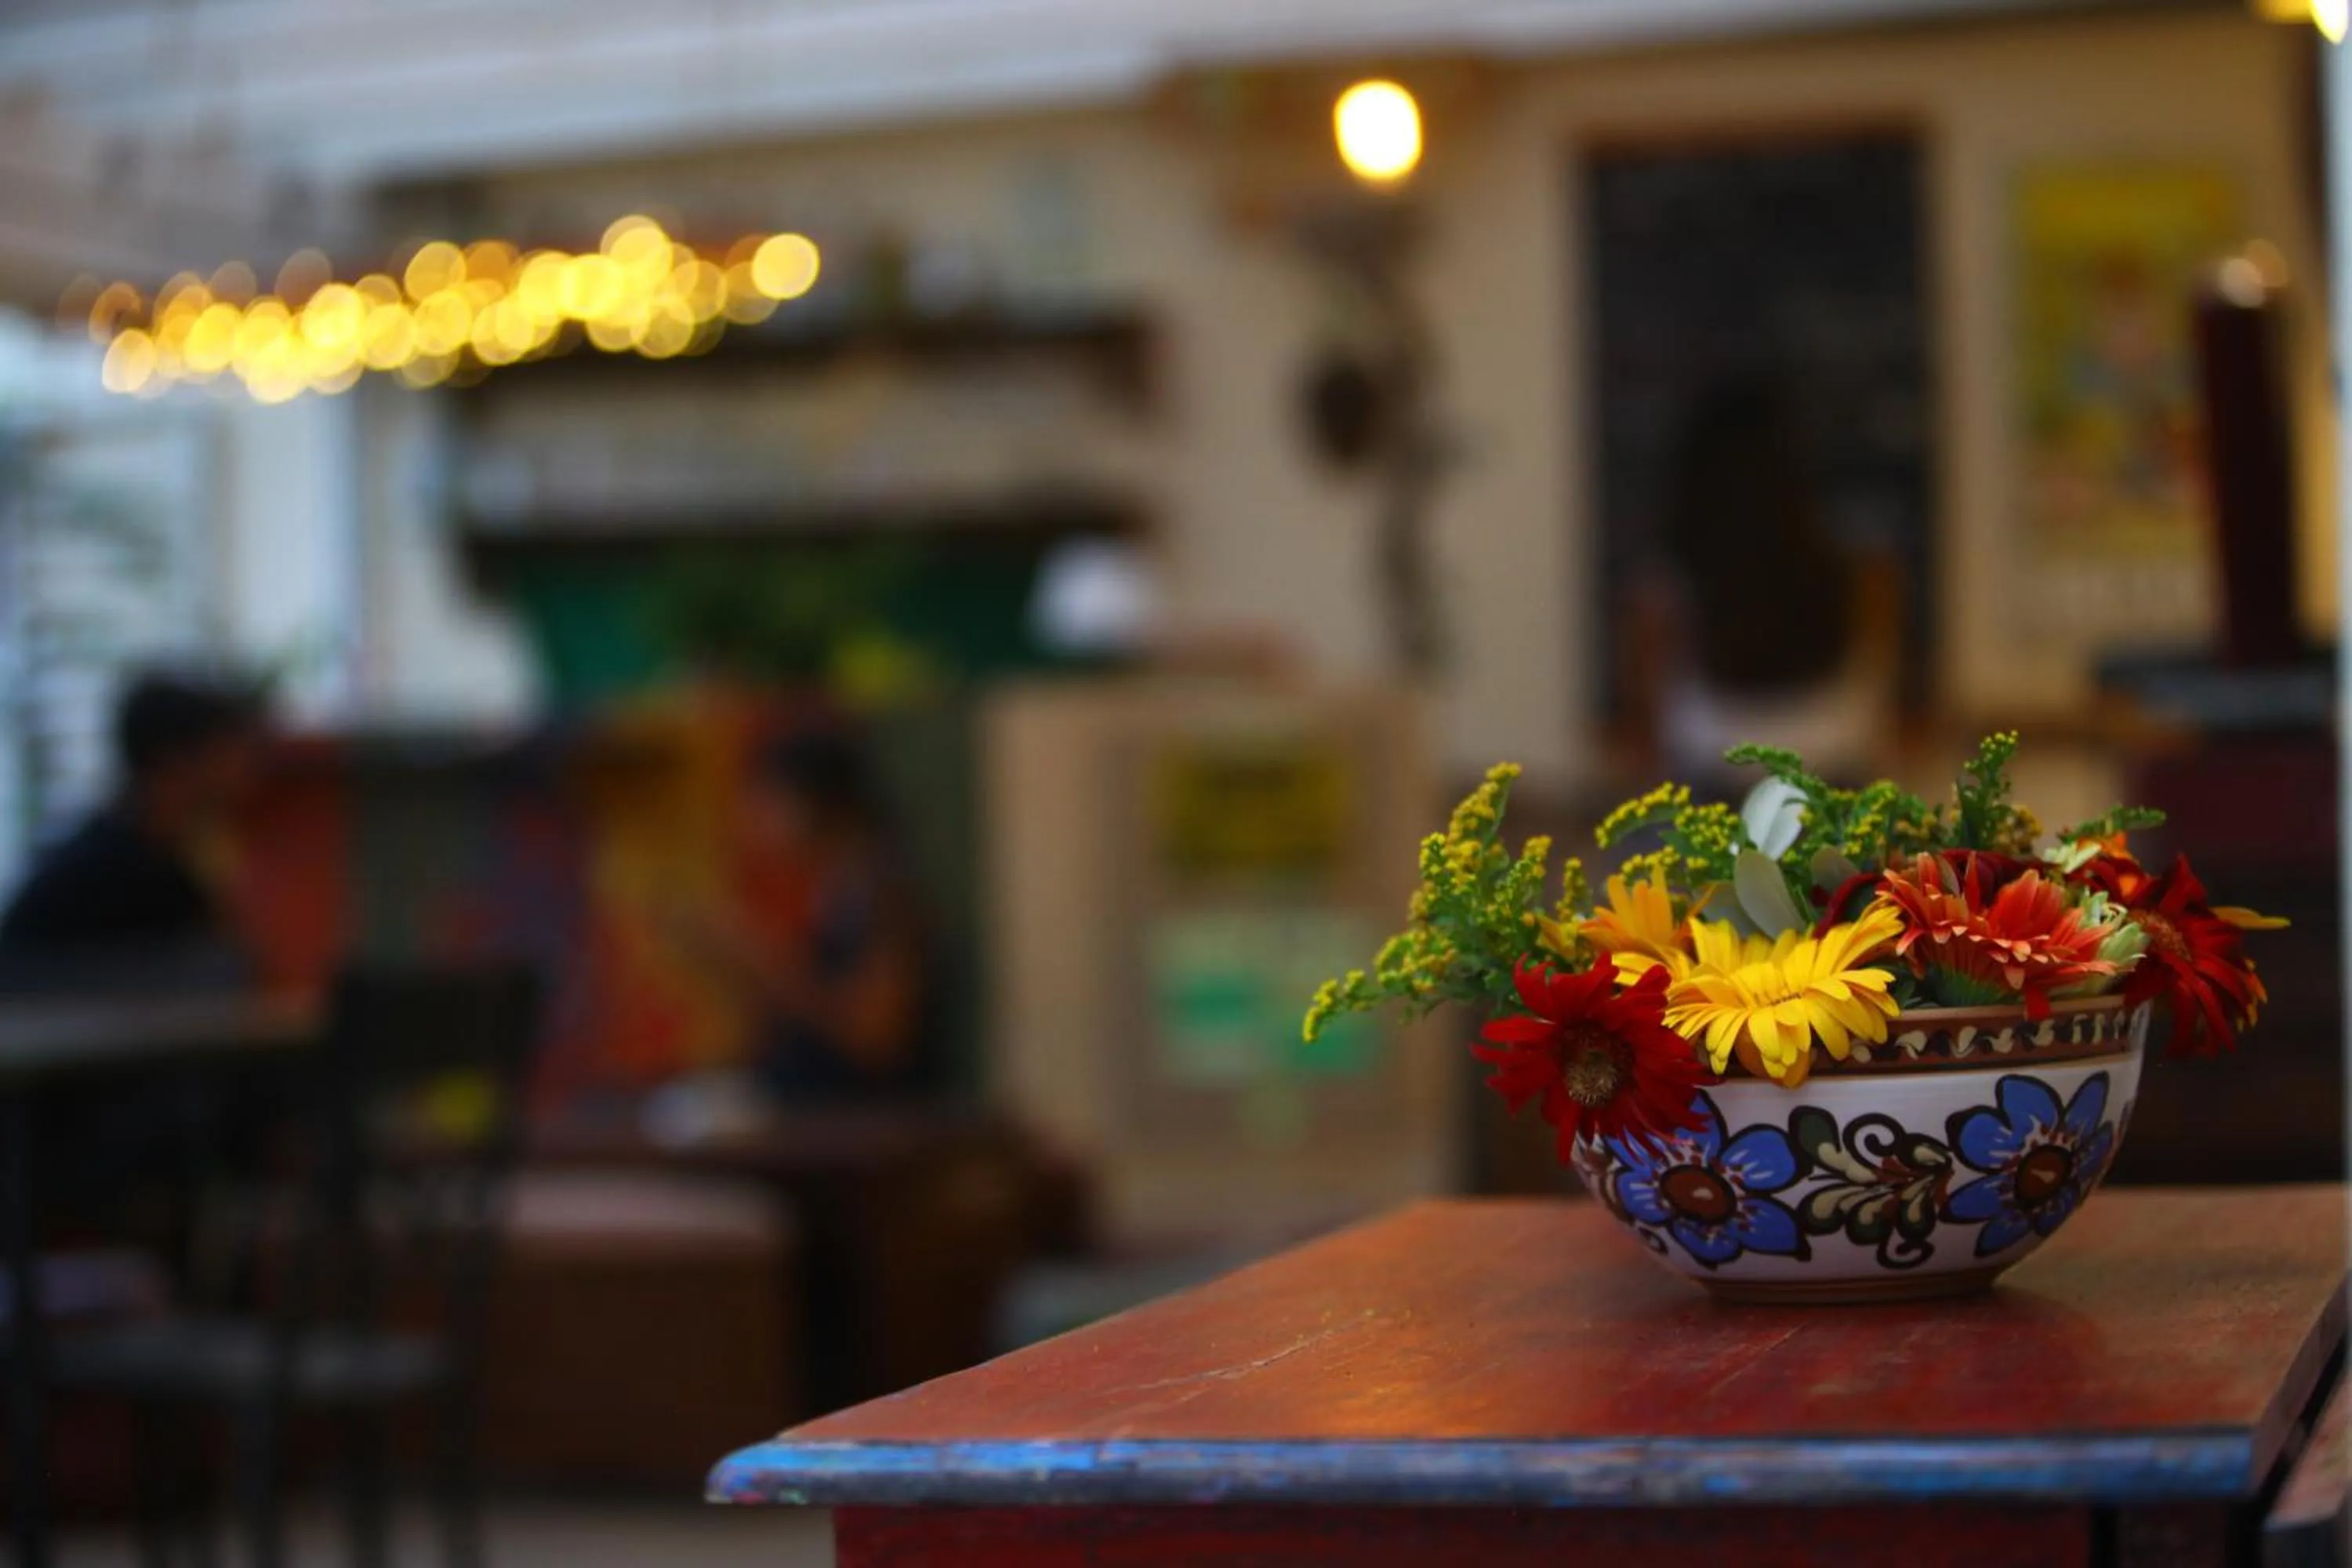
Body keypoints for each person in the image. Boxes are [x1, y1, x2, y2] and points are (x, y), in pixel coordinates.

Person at [1617, 380, 1897, 789]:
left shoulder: (1663, 589)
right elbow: (1885, 718)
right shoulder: (1863, 571)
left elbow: (1647, 745)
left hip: (1711, 796)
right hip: (1835, 792)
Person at [670, 724, 931, 1102]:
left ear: (814, 802)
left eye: (768, 802)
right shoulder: (834, 890)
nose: (753, 821)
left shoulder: (883, 895)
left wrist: (765, 960)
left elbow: (877, 1037)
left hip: (863, 1118)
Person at [0, 670, 268, 990]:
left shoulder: (166, 859)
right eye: (229, 752)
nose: (247, 769)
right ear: (177, 760)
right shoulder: (108, 876)